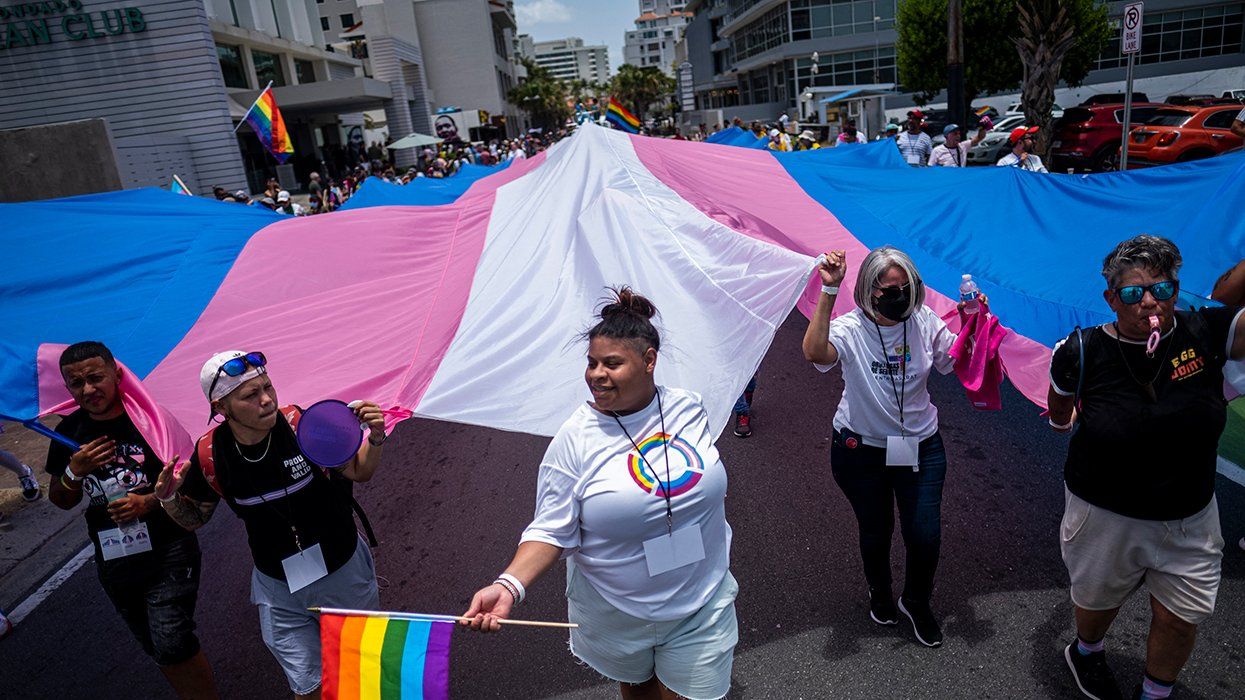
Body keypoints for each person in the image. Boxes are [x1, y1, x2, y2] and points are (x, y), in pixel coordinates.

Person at [462, 288, 739, 700]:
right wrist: (508, 585)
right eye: (591, 363)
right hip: (616, 611)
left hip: (702, 599)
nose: (596, 374)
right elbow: (551, 529)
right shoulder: (574, 440)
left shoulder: (688, 408)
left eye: (612, 363)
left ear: (649, 361)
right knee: (637, 689)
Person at [1047, 235, 1244, 700]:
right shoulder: (1080, 350)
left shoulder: (1206, 331)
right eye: (1134, 292)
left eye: (1163, 289)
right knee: (1097, 603)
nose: (1150, 302)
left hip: (1191, 517)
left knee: (1181, 619)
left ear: (1176, 291)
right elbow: (1059, 407)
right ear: (1111, 299)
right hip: (1106, 514)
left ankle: (1155, 694)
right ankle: (1087, 650)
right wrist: (1064, 421)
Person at [156, 351, 389, 699]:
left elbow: (359, 470)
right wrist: (168, 498)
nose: (266, 399)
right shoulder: (210, 454)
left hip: (341, 572)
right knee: (308, 688)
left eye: (267, 387)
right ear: (221, 407)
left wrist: (376, 436)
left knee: (359, 676)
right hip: (278, 587)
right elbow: (194, 518)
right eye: (250, 395)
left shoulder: (301, 425)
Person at [801, 247, 966, 648]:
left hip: (920, 446)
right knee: (876, 529)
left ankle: (916, 601)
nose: (900, 297)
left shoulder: (923, 320)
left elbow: (954, 360)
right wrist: (829, 290)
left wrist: (974, 325)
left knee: (925, 534)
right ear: (869, 291)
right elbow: (815, 353)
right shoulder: (851, 328)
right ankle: (880, 592)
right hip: (861, 451)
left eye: (907, 288)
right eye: (890, 290)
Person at [44, 342, 218, 698]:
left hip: (170, 549)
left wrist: (148, 502)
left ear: (116, 374)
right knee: (156, 645)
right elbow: (61, 500)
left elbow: (193, 483)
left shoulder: (151, 420)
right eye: (77, 383)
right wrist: (75, 471)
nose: (88, 389)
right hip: (114, 559)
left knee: (171, 639)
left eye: (96, 378)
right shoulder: (67, 434)